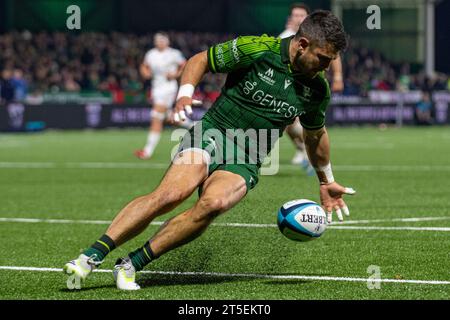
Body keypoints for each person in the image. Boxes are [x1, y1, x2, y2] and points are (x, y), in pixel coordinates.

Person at [64, 10, 355, 290]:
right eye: (323, 58)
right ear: (303, 44)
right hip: (214, 132)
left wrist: (326, 180)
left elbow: (316, 136)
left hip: (250, 156)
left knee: (213, 204)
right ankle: (91, 255)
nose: (326, 67)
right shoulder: (257, 49)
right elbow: (200, 60)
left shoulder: (317, 90)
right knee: (171, 194)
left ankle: (131, 264)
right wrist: (184, 95)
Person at [280, 3, 344, 168]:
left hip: (313, 85)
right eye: (295, 15)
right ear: (290, 18)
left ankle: (312, 153)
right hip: (291, 85)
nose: (298, 18)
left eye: (301, 15)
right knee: (287, 121)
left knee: (310, 124)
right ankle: (303, 149)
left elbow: (334, 56)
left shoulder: (318, 34)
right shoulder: (284, 37)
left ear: (307, 18)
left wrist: (337, 77)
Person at [134, 32, 190, 160]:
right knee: (169, 117)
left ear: (167, 41)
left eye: (162, 40)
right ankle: (194, 126)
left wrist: (176, 74)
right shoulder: (151, 54)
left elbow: (185, 65)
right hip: (156, 87)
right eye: (157, 40)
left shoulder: (173, 53)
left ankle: (147, 152)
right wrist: (145, 73)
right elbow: (144, 66)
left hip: (168, 88)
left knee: (156, 116)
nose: (159, 42)